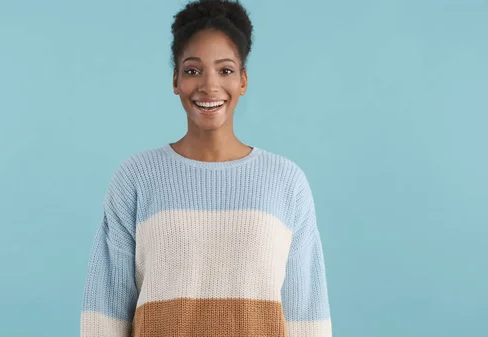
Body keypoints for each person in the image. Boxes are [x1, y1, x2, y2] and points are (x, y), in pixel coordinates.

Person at [79, 0, 332, 336]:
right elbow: (105, 314)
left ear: (243, 80)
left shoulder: (286, 182)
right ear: (176, 80)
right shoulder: (136, 178)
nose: (209, 86)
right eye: (193, 70)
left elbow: (307, 316)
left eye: (225, 70)